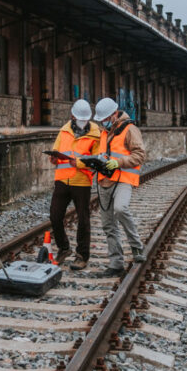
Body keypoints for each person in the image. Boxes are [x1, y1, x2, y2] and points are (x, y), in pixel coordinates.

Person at [92, 97, 146, 277]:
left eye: (106, 118)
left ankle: (137, 247)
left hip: (122, 178)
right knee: (108, 225)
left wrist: (118, 162)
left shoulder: (130, 130)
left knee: (121, 209)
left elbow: (139, 155)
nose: (103, 122)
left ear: (115, 114)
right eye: (101, 120)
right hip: (104, 180)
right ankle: (116, 264)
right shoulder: (103, 133)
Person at [48, 99, 100, 270]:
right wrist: (54, 158)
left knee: (83, 219)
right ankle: (64, 248)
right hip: (62, 179)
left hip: (81, 181)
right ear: (72, 115)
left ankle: (82, 255)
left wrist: (77, 163)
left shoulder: (95, 134)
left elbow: (97, 160)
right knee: (55, 216)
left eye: (84, 119)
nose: (82, 121)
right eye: (79, 118)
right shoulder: (64, 131)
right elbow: (56, 150)